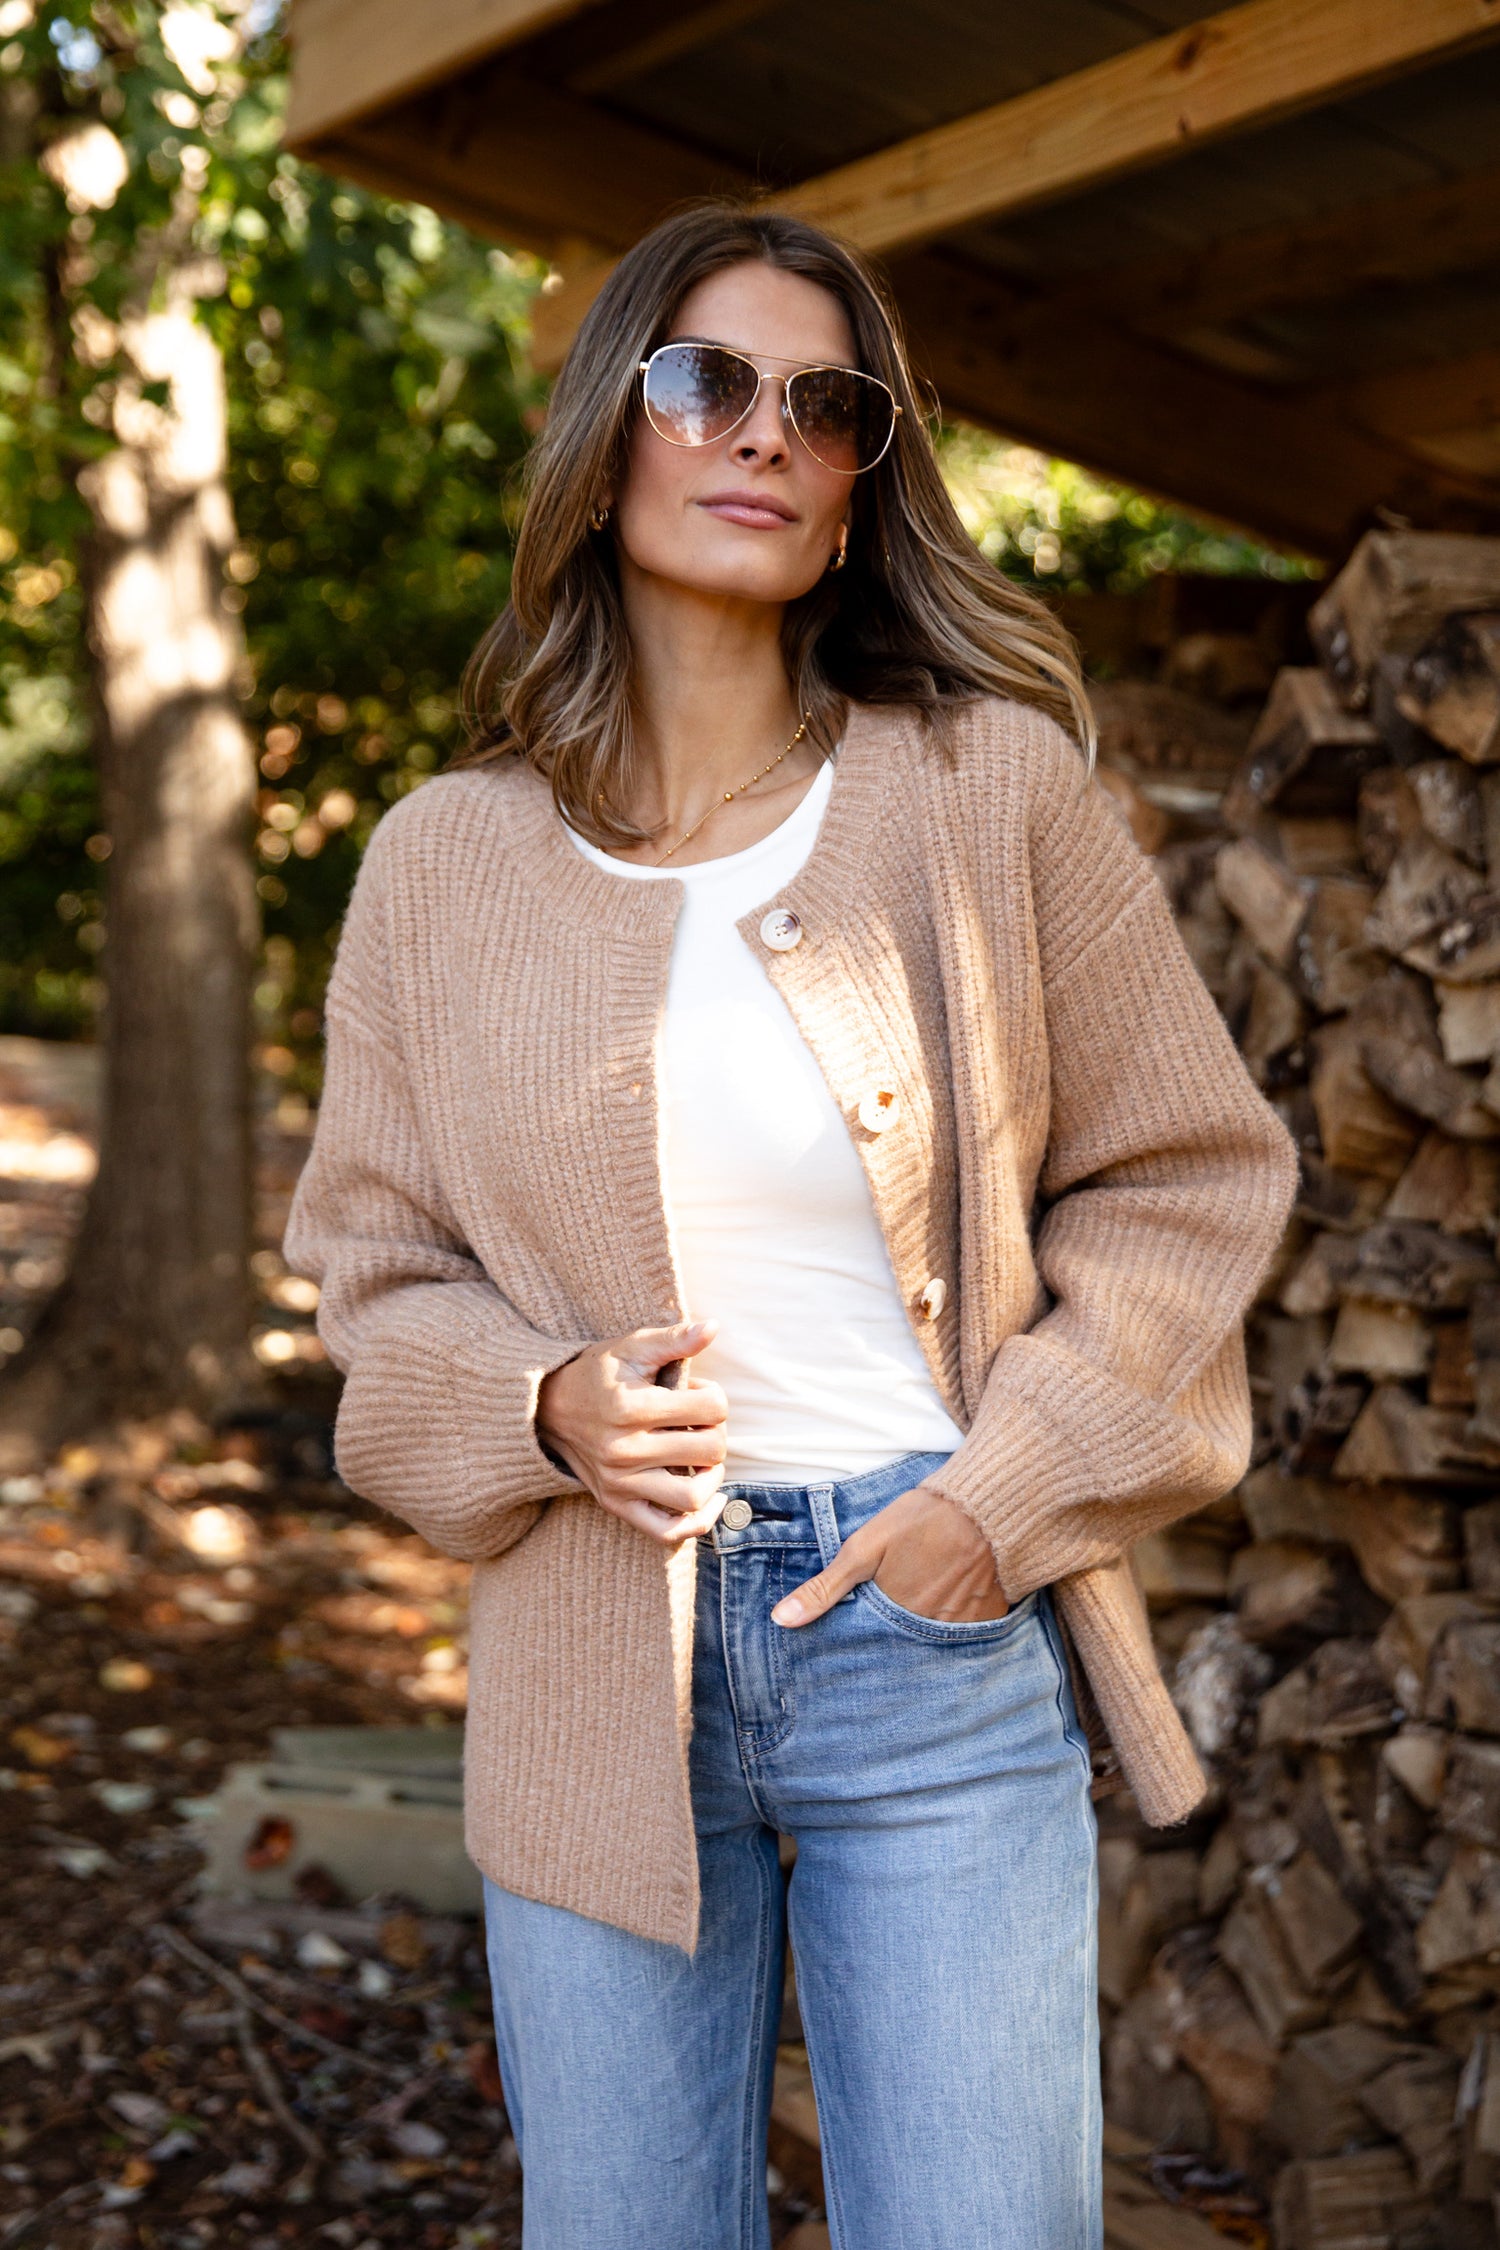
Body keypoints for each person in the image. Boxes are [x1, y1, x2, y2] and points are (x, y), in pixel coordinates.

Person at [285, 200, 1298, 2250]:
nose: (763, 431)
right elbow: (378, 1284)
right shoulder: (439, 865)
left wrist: (996, 1504)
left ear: (852, 501)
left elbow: (1195, 1175)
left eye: (824, 408)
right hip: (590, 1656)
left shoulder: (984, 789)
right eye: (705, 380)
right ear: (610, 437)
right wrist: (543, 1400)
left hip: (923, 1621)